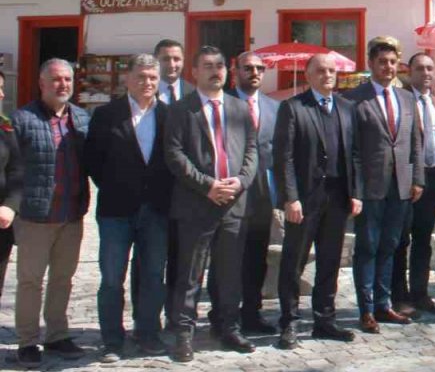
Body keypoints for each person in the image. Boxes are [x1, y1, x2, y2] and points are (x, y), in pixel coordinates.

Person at [164, 46, 258, 362]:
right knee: (190, 275)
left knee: (229, 273)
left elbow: (251, 151)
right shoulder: (181, 110)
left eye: (220, 65)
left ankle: (228, 327)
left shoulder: (239, 108)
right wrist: (208, 186)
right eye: (207, 66)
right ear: (194, 72)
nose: (215, 71)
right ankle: (183, 335)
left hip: (233, 204)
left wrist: (241, 181)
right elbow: (174, 155)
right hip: (196, 204)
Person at [82, 54, 172, 362]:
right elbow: (93, 160)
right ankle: (112, 340)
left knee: (151, 274)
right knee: (111, 277)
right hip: (116, 210)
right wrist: (115, 184)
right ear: (127, 79)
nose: (147, 82)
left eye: (152, 77)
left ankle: (147, 333)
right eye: (141, 76)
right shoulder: (107, 115)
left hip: (156, 210)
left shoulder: (169, 115)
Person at [274, 52, 360, 349]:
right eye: (321, 71)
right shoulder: (294, 108)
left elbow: (355, 155)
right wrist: (290, 198)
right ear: (309, 75)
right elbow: (282, 157)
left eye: (332, 70)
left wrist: (356, 193)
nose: (327, 75)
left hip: (337, 197)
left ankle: (325, 320)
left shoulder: (347, 108)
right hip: (305, 199)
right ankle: (290, 322)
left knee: (330, 262)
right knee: (294, 262)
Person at [11, 58, 90, 368]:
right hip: (35, 217)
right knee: (30, 281)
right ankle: (27, 341)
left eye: (68, 80)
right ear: (42, 84)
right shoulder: (22, 120)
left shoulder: (82, 119)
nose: (63, 85)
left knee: (63, 278)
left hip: (71, 214)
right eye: (56, 80)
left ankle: (57, 334)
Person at [346, 36, 428, 333]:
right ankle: (366, 309)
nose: (388, 67)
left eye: (393, 62)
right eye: (382, 62)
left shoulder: (407, 98)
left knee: (391, 246)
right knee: (367, 247)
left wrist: (417, 178)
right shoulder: (354, 99)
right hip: (370, 187)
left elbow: (416, 142)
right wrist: (354, 189)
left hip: (401, 186)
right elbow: (351, 149)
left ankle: (383, 304)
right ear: (371, 64)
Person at [208, 52, 280, 336]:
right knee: (225, 257)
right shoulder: (221, 104)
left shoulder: (274, 107)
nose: (255, 73)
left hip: (262, 194)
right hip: (230, 191)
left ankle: (252, 313)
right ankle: (220, 315)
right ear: (235, 71)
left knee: (256, 256)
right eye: (248, 68)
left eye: (260, 68)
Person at [392, 52, 435, 315]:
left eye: (430, 68)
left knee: (423, 240)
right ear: (409, 71)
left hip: (431, 178)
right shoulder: (400, 100)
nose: (426, 73)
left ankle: (420, 293)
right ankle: (398, 296)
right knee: (400, 240)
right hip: (404, 180)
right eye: (420, 68)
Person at [0, 73, 20, 323]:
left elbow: (16, 169)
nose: (2, 95)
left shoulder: (5, 127)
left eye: (2, 88)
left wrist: (10, 205)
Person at [155, 39, 194, 106]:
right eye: (166, 59)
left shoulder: (193, 92)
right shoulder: (145, 91)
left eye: (176, 59)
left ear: (183, 61)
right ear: (156, 61)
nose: (171, 65)